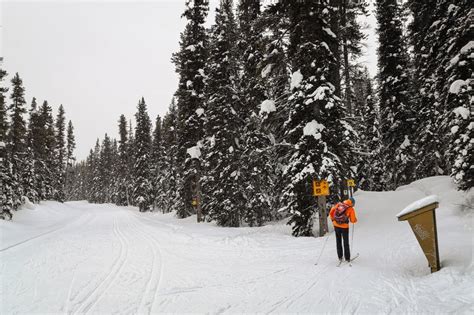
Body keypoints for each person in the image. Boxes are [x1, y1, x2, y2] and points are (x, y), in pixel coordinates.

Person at [329, 197, 357, 263]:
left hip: (336, 226)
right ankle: (347, 258)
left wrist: (333, 220)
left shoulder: (339, 205)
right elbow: (352, 220)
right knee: (345, 242)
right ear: (352, 203)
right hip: (344, 227)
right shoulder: (351, 209)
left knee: (338, 241)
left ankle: (340, 257)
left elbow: (331, 212)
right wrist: (355, 220)